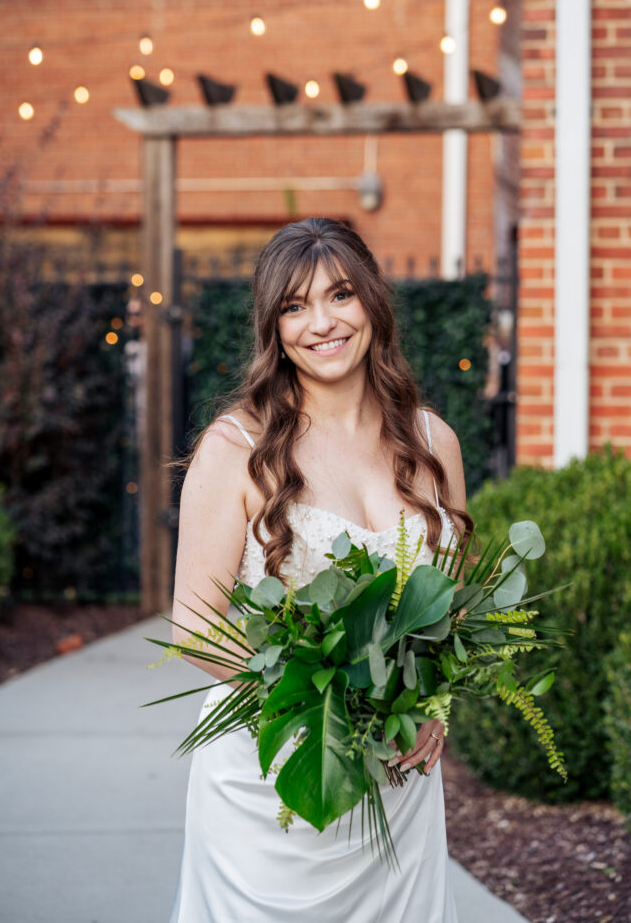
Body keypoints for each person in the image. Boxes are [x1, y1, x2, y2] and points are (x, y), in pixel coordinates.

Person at [169, 217, 471, 922]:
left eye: (339, 295)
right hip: (266, 777)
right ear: (273, 328)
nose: (321, 323)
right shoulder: (236, 448)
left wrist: (430, 705)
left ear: (372, 302)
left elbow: (451, 609)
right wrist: (328, 702)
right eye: (294, 306)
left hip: (399, 783)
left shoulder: (434, 442)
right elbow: (193, 625)